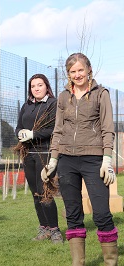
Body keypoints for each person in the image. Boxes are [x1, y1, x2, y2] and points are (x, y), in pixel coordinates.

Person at [41, 53, 118, 265]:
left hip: (94, 160)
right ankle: (78, 262)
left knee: (102, 214)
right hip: (67, 160)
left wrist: (107, 160)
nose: (77, 75)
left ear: (89, 70)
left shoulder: (101, 94)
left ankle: (111, 261)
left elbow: (107, 129)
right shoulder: (64, 97)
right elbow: (58, 130)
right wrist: (53, 161)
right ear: (68, 74)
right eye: (73, 72)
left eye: (80, 70)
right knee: (73, 215)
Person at [15, 74, 63, 244]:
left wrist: (34, 134)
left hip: (46, 153)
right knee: (35, 193)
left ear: (46, 86)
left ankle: (55, 230)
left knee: (45, 192)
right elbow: (19, 126)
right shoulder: (27, 105)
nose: (36, 88)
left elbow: (55, 129)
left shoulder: (53, 104)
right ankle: (44, 228)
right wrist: (20, 134)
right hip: (28, 154)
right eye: (33, 86)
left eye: (39, 85)